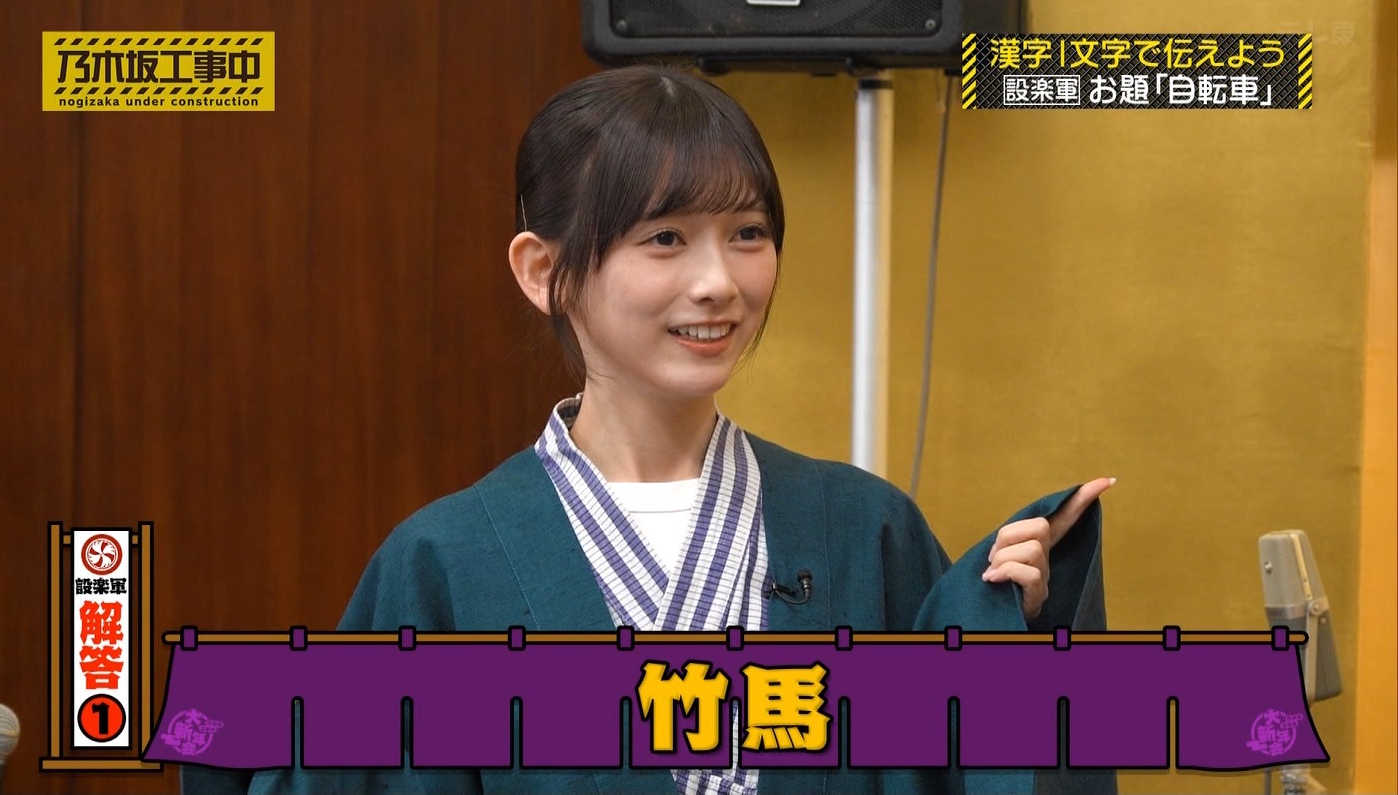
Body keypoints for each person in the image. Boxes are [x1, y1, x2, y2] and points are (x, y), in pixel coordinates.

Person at [205, 65, 1115, 795]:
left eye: (748, 233)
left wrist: (1004, 621)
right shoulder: (444, 561)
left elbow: (950, 759)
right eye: (665, 239)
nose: (719, 282)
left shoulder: (866, 527)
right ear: (543, 270)